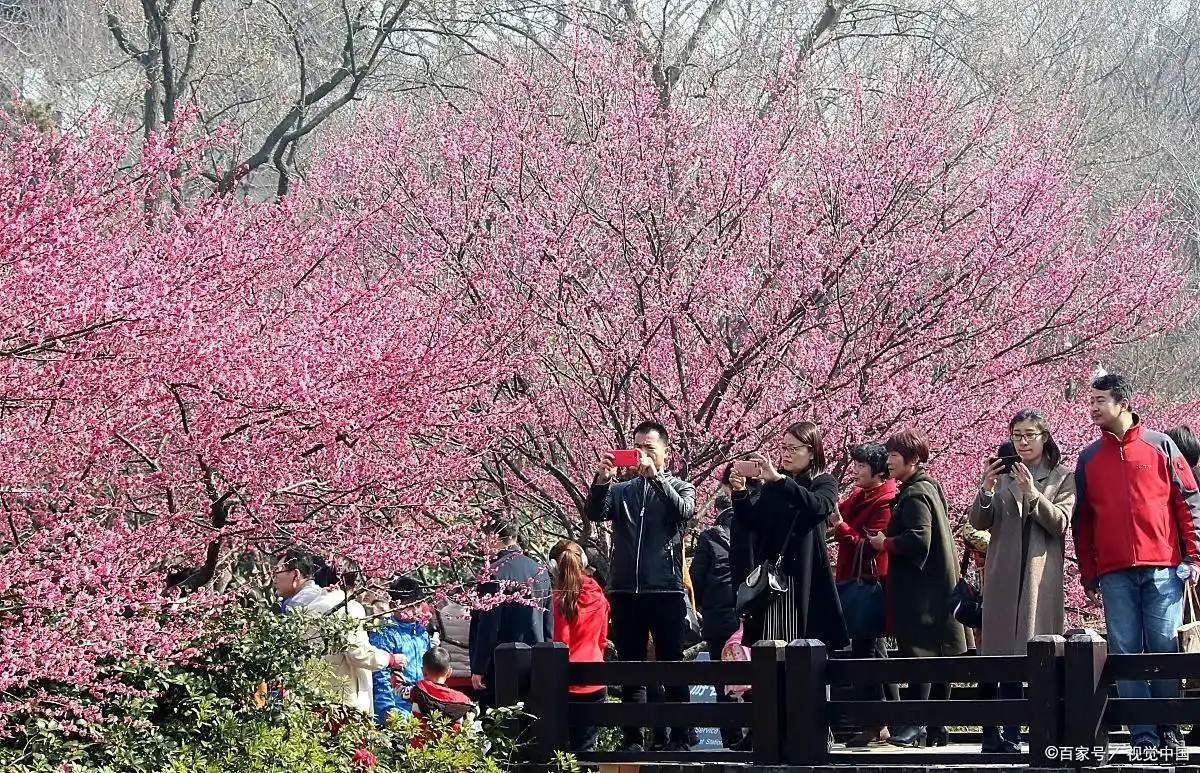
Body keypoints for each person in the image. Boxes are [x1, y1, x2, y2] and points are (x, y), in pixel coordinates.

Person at [1072, 374, 1200, 751]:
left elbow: (1188, 503)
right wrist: (1089, 575)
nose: (1092, 408)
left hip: (1164, 568)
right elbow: (1084, 522)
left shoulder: (1161, 446)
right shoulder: (1089, 458)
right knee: (1125, 652)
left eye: (1099, 400)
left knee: (1163, 650)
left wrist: (1193, 557)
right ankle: (1142, 735)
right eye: (1090, 401)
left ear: (1123, 402)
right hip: (1114, 574)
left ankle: (1169, 732)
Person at [968, 410, 1075, 753]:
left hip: (1038, 577)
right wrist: (985, 489)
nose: (1023, 442)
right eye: (1017, 435)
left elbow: (1059, 523)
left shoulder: (1061, 477)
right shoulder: (1002, 476)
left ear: (1045, 437)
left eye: (1030, 435)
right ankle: (1005, 736)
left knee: (1038, 653)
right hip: (1002, 577)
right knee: (1002, 656)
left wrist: (1032, 492)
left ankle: (1042, 732)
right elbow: (980, 522)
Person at [586, 419, 696, 752]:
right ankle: (632, 738)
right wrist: (602, 481)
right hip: (624, 591)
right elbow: (594, 512)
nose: (643, 454)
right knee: (631, 668)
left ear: (665, 451)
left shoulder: (680, 486)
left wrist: (657, 479)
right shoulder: (622, 492)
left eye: (650, 448)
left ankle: (678, 737)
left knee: (672, 666)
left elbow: (685, 513)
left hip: (665, 589)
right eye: (638, 448)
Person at [868, 429, 966, 748]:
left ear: (912, 459)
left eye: (895, 456)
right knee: (938, 659)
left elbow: (919, 540)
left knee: (920, 656)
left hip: (923, 595)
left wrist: (886, 543)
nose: (889, 461)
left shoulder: (914, 495)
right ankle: (937, 728)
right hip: (938, 591)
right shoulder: (929, 488)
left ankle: (915, 725)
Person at [730, 421, 847, 648]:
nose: (786, 454)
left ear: (812, 452)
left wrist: (780, 480)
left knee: (804, 646)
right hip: (774, 579)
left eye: (793, 449)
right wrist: (740, 493)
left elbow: (819, 506)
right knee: (771, 646)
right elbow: (753, 521)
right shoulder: (773, 486)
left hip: (805, 575)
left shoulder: (823, 481)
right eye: (783, 448)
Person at [829, 442, 899, 747]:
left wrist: (841, 527)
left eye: (861, 466)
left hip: (870, 585)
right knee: (873, 653)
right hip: (852, 580)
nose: (855, 470)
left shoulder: (885, 501)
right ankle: (886, 721)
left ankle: (878, 721)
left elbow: (872, 543)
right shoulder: (860, 495)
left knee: (867, 653)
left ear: (879, 471)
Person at [273, 549, 397, 715]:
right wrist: (389, 659)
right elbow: (358, 654)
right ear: (354, 579)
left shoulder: (313, 606)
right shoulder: (348, 607)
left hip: (315, 698)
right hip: (344, 701)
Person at [468, 521, 553, 708]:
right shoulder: (539, 571)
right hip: (535, 660)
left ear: (494, 536)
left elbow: (488, 626)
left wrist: (479, 666)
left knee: (498, 723)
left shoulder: (493, 573)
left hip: (499, 664)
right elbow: (547, 620)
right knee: (532, 723)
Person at [690, 469, 745, 748]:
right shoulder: (754, 528)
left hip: (719, 620)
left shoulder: (709, 537)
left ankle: (732, 740)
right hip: (752, 617)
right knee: (758, 675)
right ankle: (760, 734)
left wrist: (705, 606)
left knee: (724, 680)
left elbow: (696, 578)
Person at [548, 539, 610, 752]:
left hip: (567, 682)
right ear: (583, 562)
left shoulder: (559, 600)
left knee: (561, 751)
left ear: (554, 567)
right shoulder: (599, 596)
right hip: (595, 679)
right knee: (586, 748)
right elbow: (602, 639)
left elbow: (560, 643)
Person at [368, 576, 434, 726]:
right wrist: (386, 709)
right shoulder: (384, 632)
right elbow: (379, 674)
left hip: (420, 705)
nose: (416, 610)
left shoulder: (422, 632)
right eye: (410, 606)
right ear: (393, 604)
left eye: (418, 605)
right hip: (396, 707)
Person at [410, 647, 478, 748]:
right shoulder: (464, 701)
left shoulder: (416, 692)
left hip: (420, 754)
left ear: (423, 671)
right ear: (449, 672)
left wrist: (396, 671)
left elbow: (400, 689)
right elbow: (471, 720)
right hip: (451, 754)